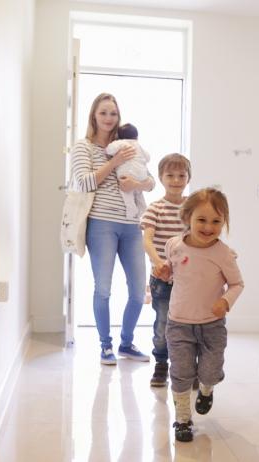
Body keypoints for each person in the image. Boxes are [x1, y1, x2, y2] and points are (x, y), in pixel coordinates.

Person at [155, 187, 244, 442]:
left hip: (212, 325)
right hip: (179, 323)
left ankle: (207, 388)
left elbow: (238, 284)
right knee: (181, 372)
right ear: (188, 219)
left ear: (224, 222)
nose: (208, 227)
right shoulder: (174, 245)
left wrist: (225, 301)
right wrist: (164, 272)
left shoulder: (223, 254)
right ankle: (182, 419)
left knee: (210, 372)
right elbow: (172, 272)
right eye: (202, 220)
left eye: (216, 221)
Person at [71, 93, 154, 365]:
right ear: (94, 115)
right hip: (101, 224)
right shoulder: (83, 147)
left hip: (132, 225)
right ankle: (105, 345)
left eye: (113, 114)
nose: (108, 118)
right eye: (103, 112)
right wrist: (113, 163)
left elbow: (150, 179)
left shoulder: (128, 145)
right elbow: (83, 183)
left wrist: (137, 185)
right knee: (103, 288)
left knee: (138, 290)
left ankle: (127, 343)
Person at [140, 153, 191, 387]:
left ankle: (188, 368)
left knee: (190, 325)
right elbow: (147, 241)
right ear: (161, 178)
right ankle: (161, 363)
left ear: (188, 178)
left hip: (190, 280)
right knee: (163, 324)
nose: (176, 180)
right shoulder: (155, 208)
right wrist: (159, 262)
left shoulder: (192, 208)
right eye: (170, 175)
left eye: (181, 175)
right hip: (162, 280)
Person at [106, 123, 150, 219]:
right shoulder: (138, 145)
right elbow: (148, 157)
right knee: (138, 193)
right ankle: (143, 210)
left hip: (126, 173)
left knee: (126, 192)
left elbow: (109, 150)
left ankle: (131, 210)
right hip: (141, 175)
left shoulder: (121, 143)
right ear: (137, 136)